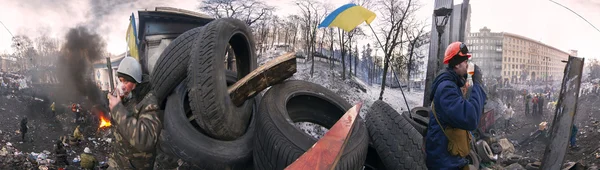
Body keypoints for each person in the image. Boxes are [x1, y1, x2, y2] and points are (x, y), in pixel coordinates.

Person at [426, 42, 487, 169]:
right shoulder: (446, 89)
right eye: (466, 61)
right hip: (444, 163)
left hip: (450, 160)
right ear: (458, 64)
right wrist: (478, 84)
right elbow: (471, 119)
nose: (468, 65)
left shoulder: (451, 85)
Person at [106, 57, 161, 170]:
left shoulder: (149, 101)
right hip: (118, 162)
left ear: (136, 82)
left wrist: (118, 110)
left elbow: (146, 140)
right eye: (120, 80)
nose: (122, 86)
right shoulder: (126, 97)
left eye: (126, 81)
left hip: (136, 166)